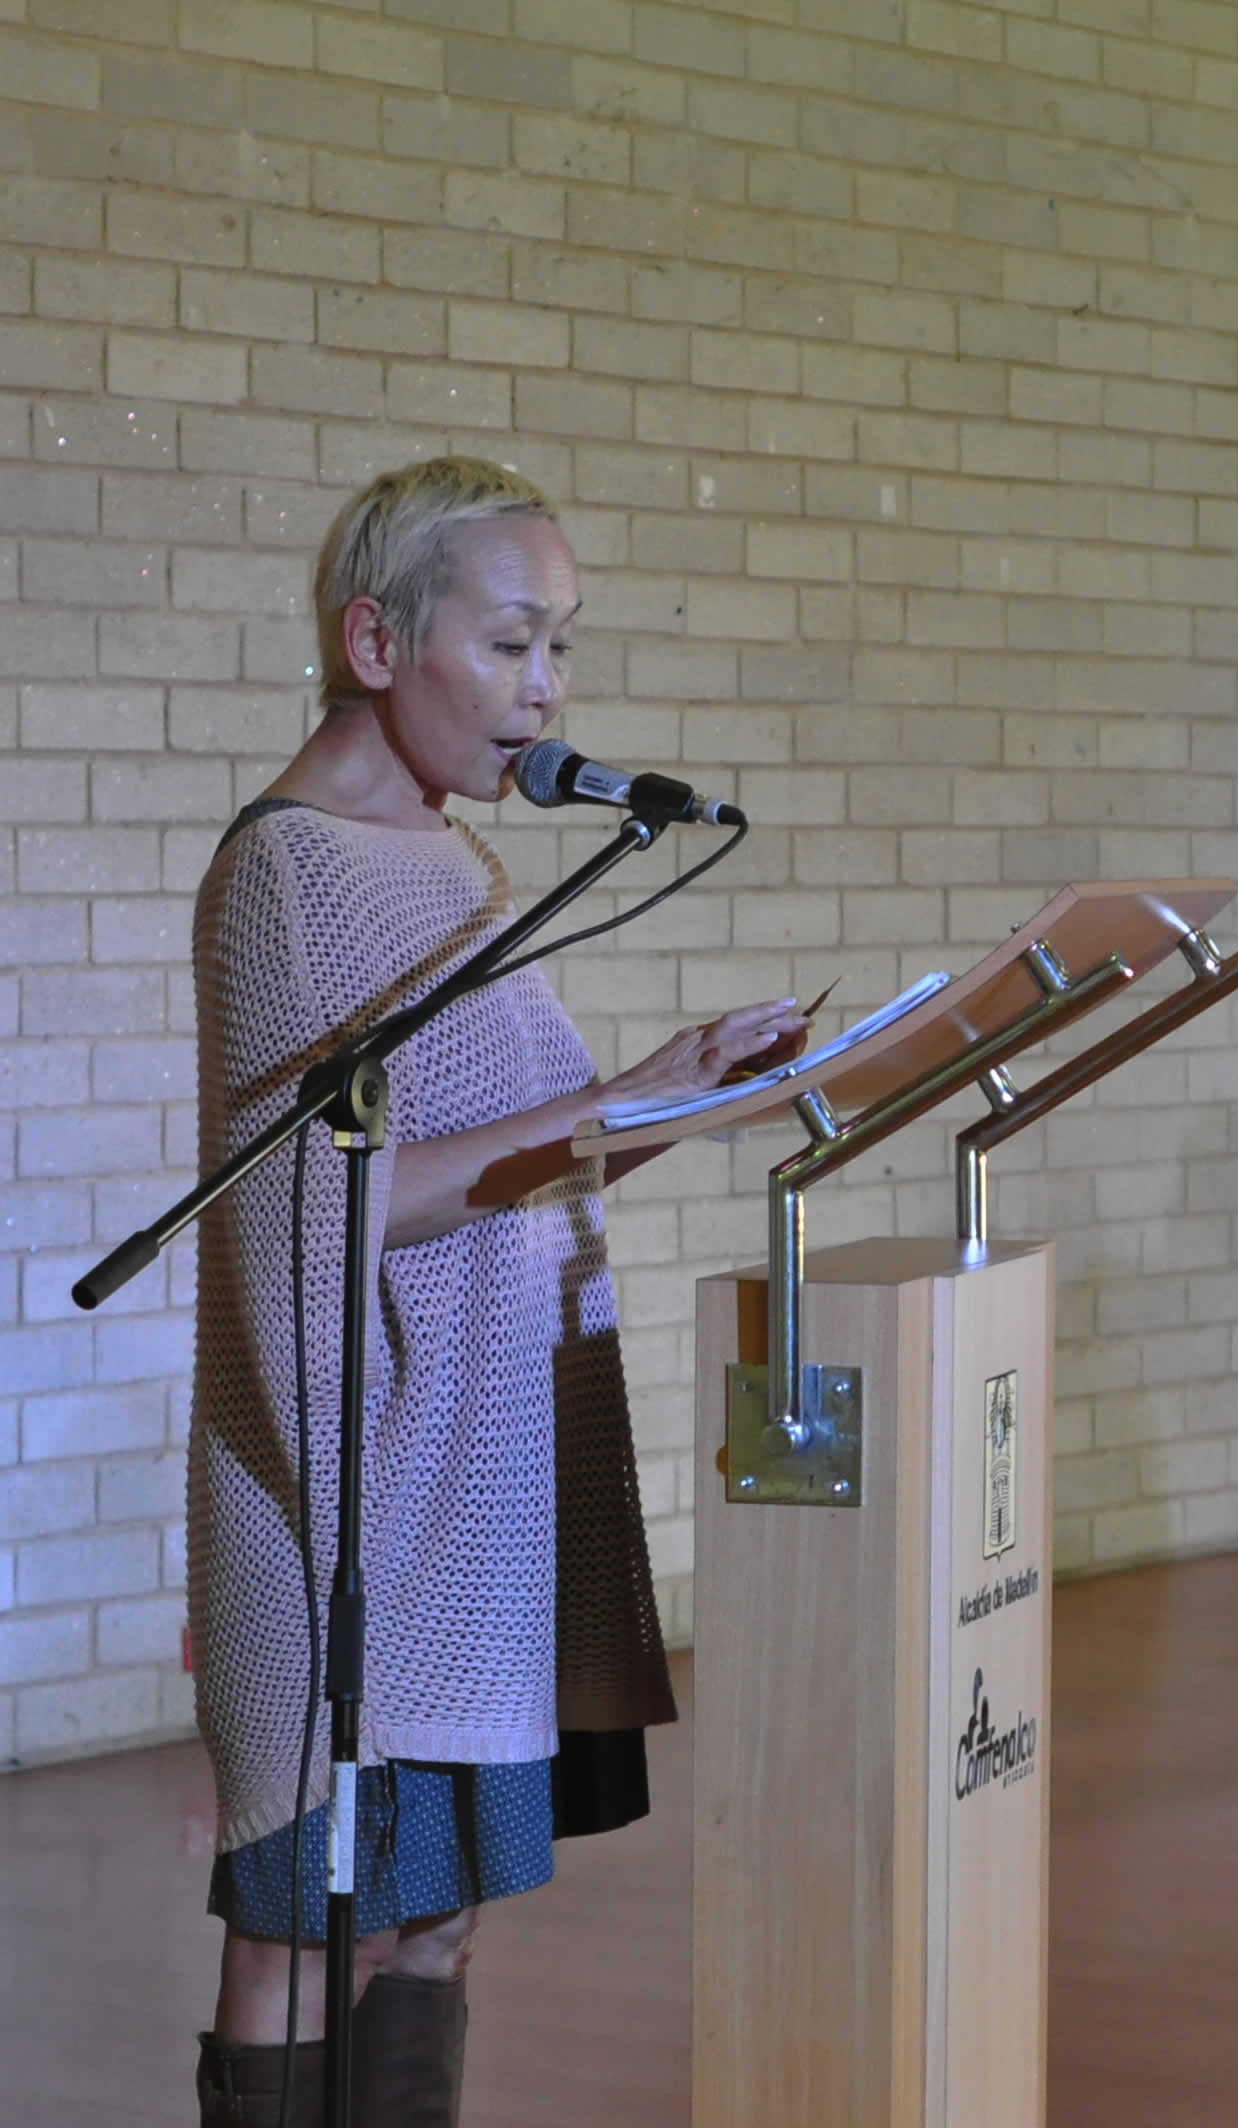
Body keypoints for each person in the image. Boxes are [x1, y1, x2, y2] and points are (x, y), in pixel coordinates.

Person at [187, 457, 806, 2123]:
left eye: (566, 649)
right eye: (514, 642)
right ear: (374, 642)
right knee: (305, 1926)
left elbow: (513, 1173)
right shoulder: (289, 870)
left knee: (438, 1923)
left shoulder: (460, 867)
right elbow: (316, 1209)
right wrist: (621, 1098)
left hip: (481, 1495)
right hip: (349, 1507)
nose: (547, 690)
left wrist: (684, 1097)